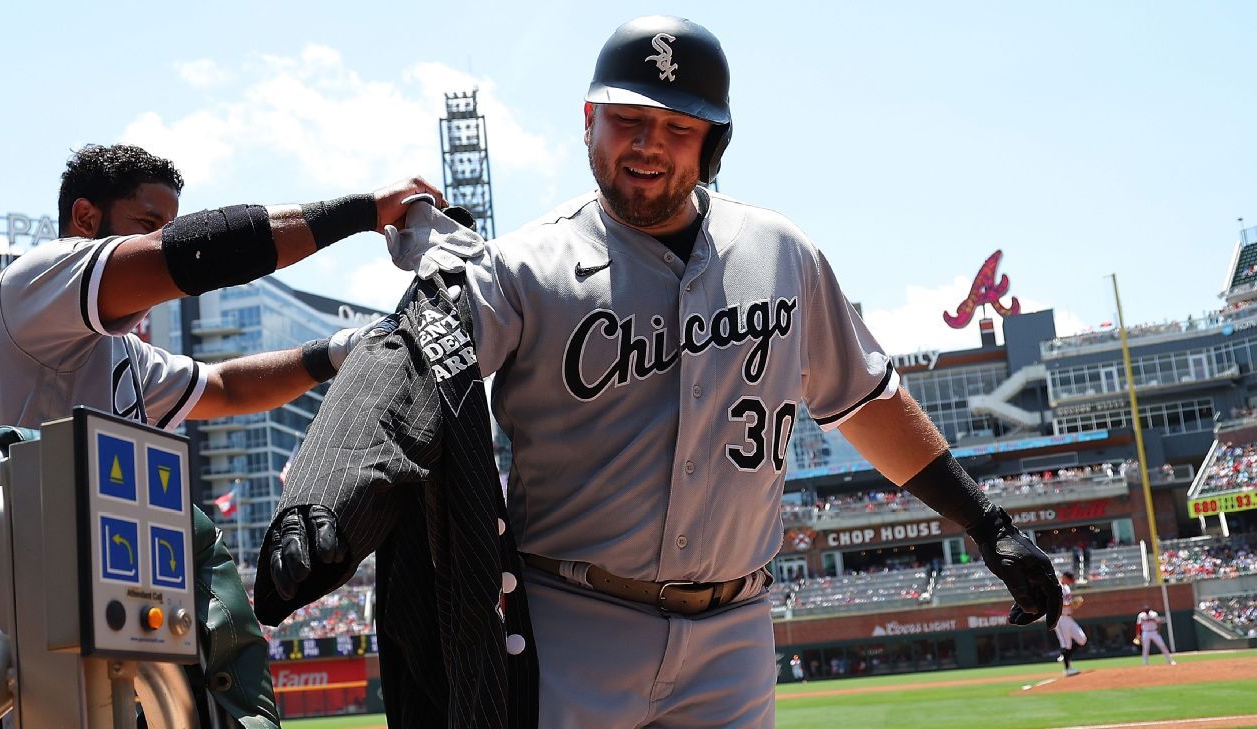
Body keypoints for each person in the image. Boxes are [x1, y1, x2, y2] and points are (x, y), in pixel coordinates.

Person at [262, 15, 1060, 728]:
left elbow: (864, 402)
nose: (648, 144)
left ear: (713, 142)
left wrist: (986, 522)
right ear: (588, 123)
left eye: (678, 127)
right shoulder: (522, 266)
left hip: (736, 634)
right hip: (573, 623)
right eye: (628, 120)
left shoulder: (783, 254)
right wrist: (332, 476)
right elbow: (409, 359)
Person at [0, 143, 443, 727]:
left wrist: (339, 351)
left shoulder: (124, 353)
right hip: (17, 604)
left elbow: (228, 387)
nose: (161, 238)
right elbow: (197, 253)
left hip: (96, 609)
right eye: (148, 225)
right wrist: (364, 212)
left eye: (166, 227)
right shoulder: (36, 278)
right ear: (86, 219)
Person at [1054, 571, 1087, 676]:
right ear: (1064, 577)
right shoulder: (1057, 586)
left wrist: (1073, 605)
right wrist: (1070, 604)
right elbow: (1056, 603)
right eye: (1070, 579)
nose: (1071, 582)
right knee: (1066, 644)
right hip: (1060, 619)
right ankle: (1068, 669)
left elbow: (1069, 604)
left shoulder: (1067, 588)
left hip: (1069, 618)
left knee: (1082, 639)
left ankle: (1065, 656)